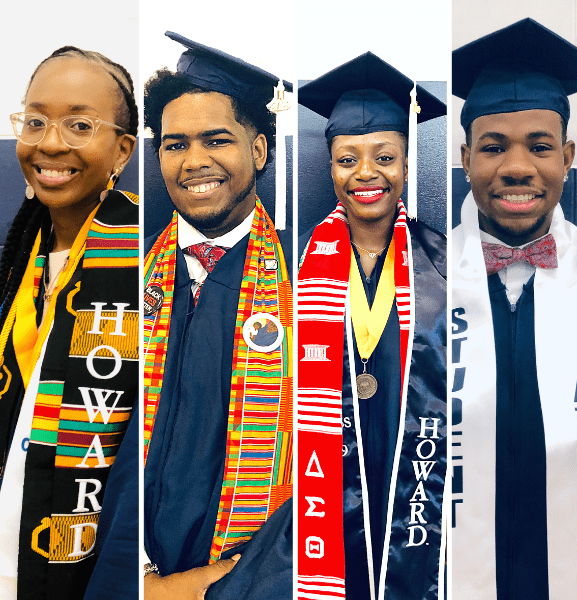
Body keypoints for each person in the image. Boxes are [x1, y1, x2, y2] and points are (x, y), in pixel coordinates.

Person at [451, 18, 577, 599]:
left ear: (566, 157)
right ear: (465, 158)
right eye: (493, 147)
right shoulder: (423, 289)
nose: (517, 167)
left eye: (539, 146)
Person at [143, 33, 293, 600]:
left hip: (246, 582)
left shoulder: (307, 286)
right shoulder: (126, 277)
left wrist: (224, 586)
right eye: (175, 143)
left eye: (217, 140)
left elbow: (334, 467)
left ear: (257, 151)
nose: (195, 161)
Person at [297, 52, 447, 600]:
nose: (365, 174)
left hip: (419, 479)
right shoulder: (295, 268)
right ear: (331, 168)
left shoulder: (445, 266)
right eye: (346, 159)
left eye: (384, 156)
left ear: (407, 164)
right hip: (326, 495)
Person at [0, 47, 139, 600]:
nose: (50, 143)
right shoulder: (18, 257)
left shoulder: (148, 261)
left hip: (87, 566)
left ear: (123, 150)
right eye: (35, 121)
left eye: (80, 124)